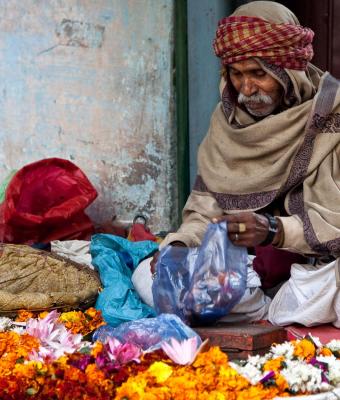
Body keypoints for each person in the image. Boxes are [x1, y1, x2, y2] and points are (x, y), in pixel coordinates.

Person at [149, 0, 340, 326]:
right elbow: (203, 212)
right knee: (149, 274)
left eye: (258, 74)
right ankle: (267, 310)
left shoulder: (331, 117)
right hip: (246, 279)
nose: (247, 88)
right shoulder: (227, 125)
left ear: (289, 73)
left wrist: (274, 231)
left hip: (315, 273)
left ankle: (278, 310)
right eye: (236, 74)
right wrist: (179, 245)